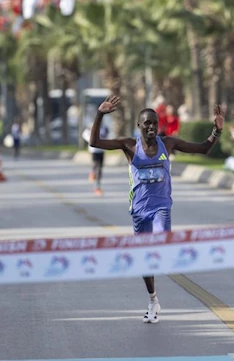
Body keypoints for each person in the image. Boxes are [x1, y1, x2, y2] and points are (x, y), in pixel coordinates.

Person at [89, 96, 224, 324]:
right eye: (147, 123)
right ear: (139, 126)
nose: (151, 127)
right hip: (139, 211)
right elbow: (94, 142)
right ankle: (153, 300)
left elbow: (202, 149)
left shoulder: (168, 144)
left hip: (161, 206)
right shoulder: (129, 146)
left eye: (155, 122)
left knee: (161, 243)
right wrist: (100, 114)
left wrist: (216, 131)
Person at [83, 124, 108, 195]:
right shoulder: (90, 128)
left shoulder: (104, 128)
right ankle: (97, 187)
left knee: (100, 167)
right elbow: (85, 134)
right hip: (94, 150)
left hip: (102, 150)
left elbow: (106, 136)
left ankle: (93, 173)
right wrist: (92, 140)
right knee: (97, 167)